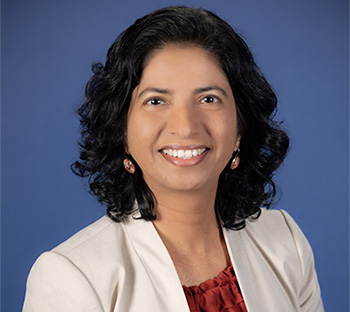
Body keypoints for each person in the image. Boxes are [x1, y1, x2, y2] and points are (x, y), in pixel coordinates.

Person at [23, 6, 324, 312]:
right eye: (156, 101)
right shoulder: (71, 276)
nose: (185, 126)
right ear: (122, 131)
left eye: (209, 99)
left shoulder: (286, 242)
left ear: (240, 127)